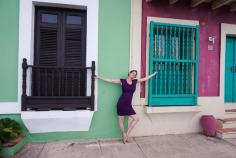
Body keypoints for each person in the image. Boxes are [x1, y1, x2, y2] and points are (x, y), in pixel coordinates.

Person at [95, 70, 157, 143]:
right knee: (121, 120)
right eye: (132, 73)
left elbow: (144, 79)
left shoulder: (135, 82)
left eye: (135, 74)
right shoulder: (122, 81)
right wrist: (99, 77)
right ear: (129, 73)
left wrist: (153, 74)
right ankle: (124, 134)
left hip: (128, 105)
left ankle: (127, 135)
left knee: (136, 119)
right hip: (121, 103)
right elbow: (111, 81)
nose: (134, 75)